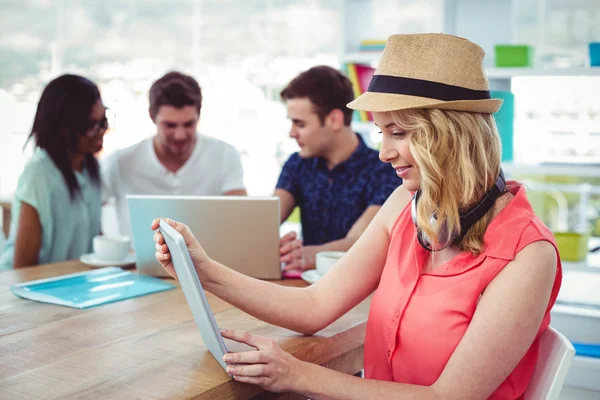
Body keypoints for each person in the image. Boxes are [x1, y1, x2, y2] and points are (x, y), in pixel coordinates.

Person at [151, 34, 562, 399]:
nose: (384, 153)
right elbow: (315, 305)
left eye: (398, 133)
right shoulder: (407, 204)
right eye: (382, 133)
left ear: (452, 133)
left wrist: (297, 375)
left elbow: (448, 397)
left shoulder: (528, 255)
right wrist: (202, 269)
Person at [276, 66, 401, 272]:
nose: (292, 133)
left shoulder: (384, 171)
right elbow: (267, 219)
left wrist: (308, 255)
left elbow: (360, 242)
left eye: (300, 124)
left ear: (334, 120)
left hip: (360, 289)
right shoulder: (296, 164)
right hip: (306, 287)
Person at [101, 71, 246, 237]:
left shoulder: (225, 155)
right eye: (170, 125)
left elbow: (242, 218)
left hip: (207, 261)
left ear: (199, 115)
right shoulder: (120, 163)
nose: (180, 135)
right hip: (138, 262)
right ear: (152, 116)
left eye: (189, 124)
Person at [0, 74, 106, 268]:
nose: (101, 131)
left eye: (104, 121)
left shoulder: (91, 168)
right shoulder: (39, 174)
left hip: (74, 285)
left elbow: (95, 244)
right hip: (26, 287)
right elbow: (23, 268)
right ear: (65, 127)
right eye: (91, 125)